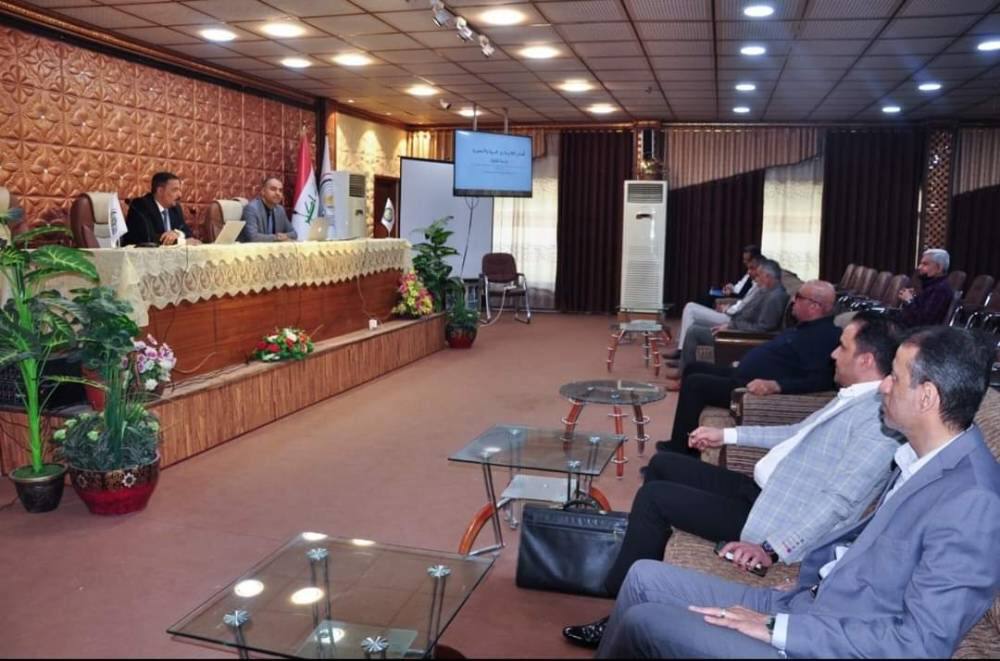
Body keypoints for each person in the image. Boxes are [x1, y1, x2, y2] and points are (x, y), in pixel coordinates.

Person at [595, 325, 1000, 659]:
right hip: (809, 604)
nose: (883, 387)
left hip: (820, 639)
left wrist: (778, 629)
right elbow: (877, 553)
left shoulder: (973, 502)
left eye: (895, 377)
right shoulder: (921, 457)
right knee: (643, 577)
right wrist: (817, 583)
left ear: (927, 397)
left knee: (644, 622)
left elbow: (920, 645)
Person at [562, 313, 902, 650]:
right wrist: (726, 435)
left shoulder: (878, 421)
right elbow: (795, 433)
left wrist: (772, 548)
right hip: (764, 493)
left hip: (773, 520)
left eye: (842, 347)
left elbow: (840, 502)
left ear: (866, 360)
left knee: (654, 498)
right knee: (664, 464)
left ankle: (616, 604)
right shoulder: (855, 398)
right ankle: (639, 551)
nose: (833, 354)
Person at [657, 280, 840, 455]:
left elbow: (820, 380)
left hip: (751, 387)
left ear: (814, 306)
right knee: (693, 368)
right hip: (743, 374)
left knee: (696, 384)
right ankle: (681, 441)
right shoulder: (805, 328)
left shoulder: (825, 337)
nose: (793, 300)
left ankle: (681, 450)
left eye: (798, 297)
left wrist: (776, 385)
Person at [671, 259, 788, 375]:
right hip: (735, 328)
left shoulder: (775, 298)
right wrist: (730, 323)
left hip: (738, 337)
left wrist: (731, 326)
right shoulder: (768, 291)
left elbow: (762, 329)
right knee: (695, 327)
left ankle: (685, 374)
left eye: (759, 276)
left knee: (693, 332)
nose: (757, 280)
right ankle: (687, 371)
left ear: (767, 277)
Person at [675, 253, 763, 355]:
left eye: (752, 268)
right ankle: (682, 349)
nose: (748, 272)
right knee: (690, 307)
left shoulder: (760, 290)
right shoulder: (755, 286)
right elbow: (743, 303)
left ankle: (681, 350)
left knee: (690, 309)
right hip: (731, 314)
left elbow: (745, 310)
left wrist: (727, 309)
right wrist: (729, 307)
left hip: (732, 319)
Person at [122, 172, 200, 246]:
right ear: (160, 191)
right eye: (175, 190)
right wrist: (181, 241)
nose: (180, 195)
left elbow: (187, 232)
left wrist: (177, 234)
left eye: (179, 190)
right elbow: (149, 238)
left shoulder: (175, 209)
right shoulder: (141, 205)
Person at [897, 248, 954, 326]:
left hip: (919, 331)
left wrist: (909, 300)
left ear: (939, 268)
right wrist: (914, 298)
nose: (919, 267)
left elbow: (923, 321)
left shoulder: (940, 289)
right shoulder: (931, 286)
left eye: (925, 264)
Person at [695, 244, 761, 308]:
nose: (744, 262)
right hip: (733, 295)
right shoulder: (748, 272)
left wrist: (730, 294)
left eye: (747, 259)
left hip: (737, 300)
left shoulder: (758, 276)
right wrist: (731, 288)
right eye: (744, 259)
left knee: (706, 299)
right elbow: (739, 287)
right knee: (703, 298)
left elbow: (745, 297)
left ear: (755, 259)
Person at [239, 177, 297, 242]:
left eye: (280, 190)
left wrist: (285, 236)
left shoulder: (280, 210)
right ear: (263, 191)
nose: (278, 193)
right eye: (273, 189)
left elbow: (294, 234)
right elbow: (252, 237)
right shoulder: (251, 209)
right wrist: (276, 237)